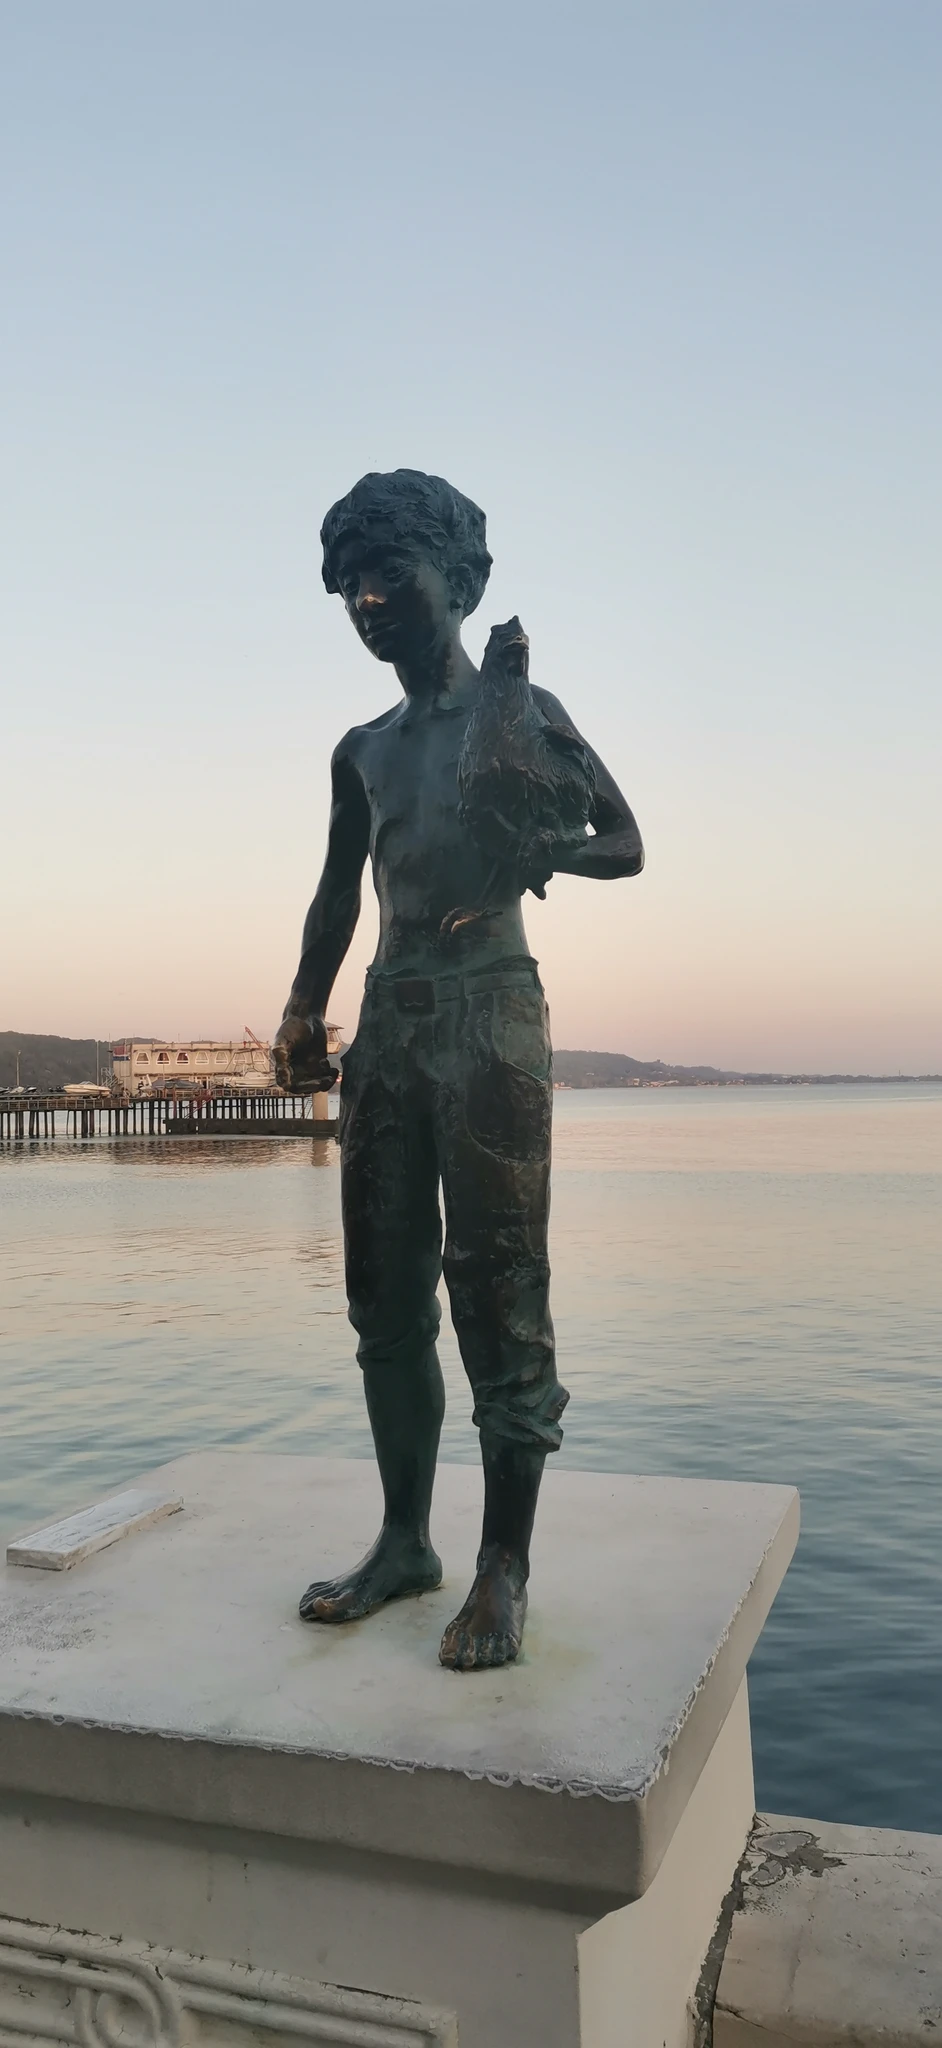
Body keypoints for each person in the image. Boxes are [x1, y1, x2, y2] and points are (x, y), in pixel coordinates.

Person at [274, 469, 643, 1670]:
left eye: (392, 575)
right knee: (384, 1297)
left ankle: (504, 1566)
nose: (369, 600)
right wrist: (302, 1006)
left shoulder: (520, 712)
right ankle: (403, 1541)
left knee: (498, 1288)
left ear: (463, 581)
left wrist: (539, 845)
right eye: (351, 585)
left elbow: (624, 840)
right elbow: (339, 892)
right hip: (387, 1022)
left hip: (492, 1014)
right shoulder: (362, 749)